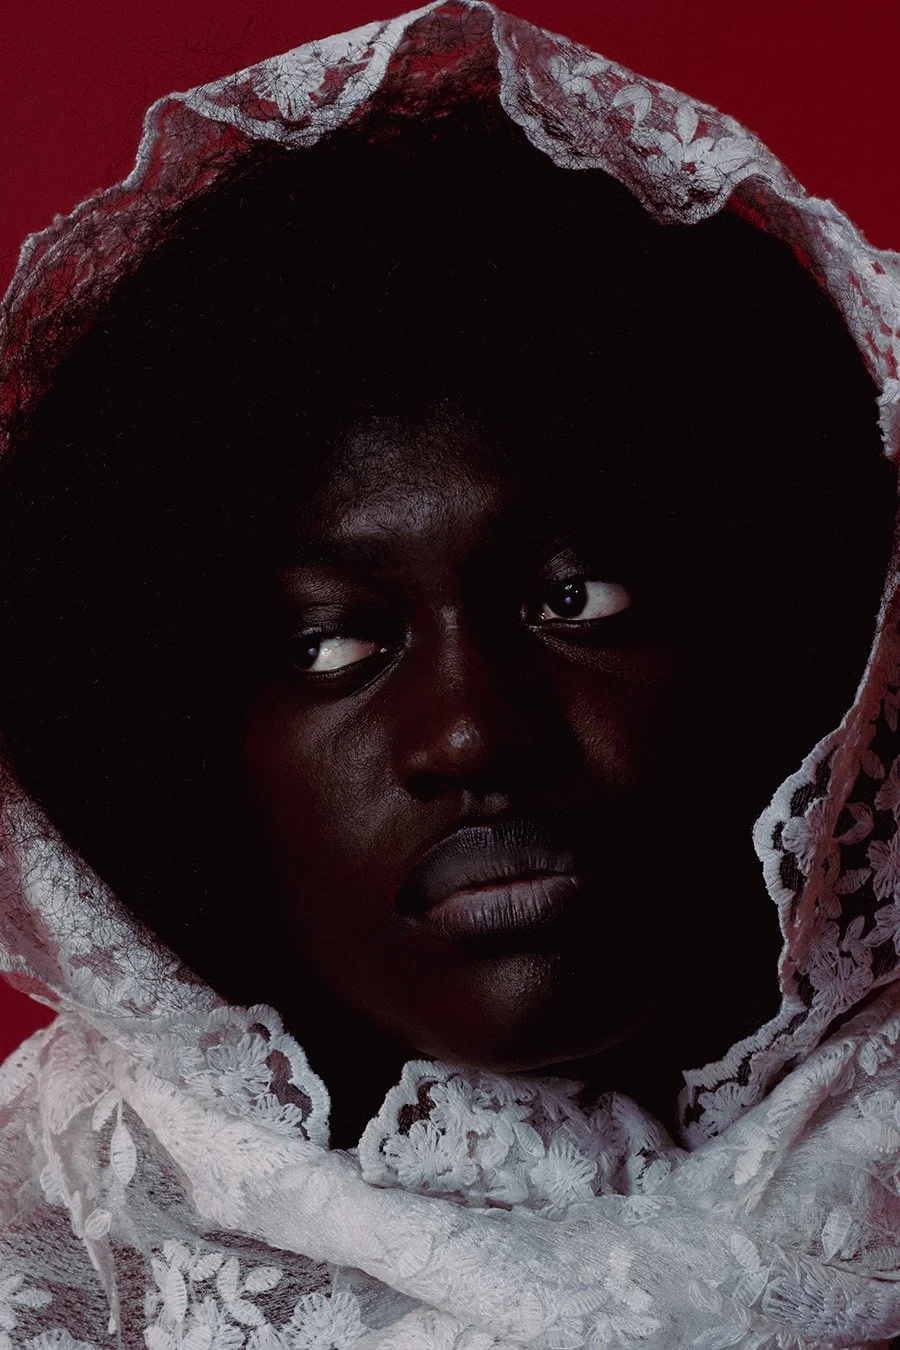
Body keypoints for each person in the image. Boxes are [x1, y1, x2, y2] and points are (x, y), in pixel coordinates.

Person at [1, 3, 900, 1346]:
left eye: (574, 599)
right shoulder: (56, 1243)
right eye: (330, 645)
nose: (476, 730)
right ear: (195, 745)